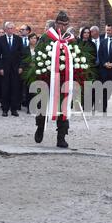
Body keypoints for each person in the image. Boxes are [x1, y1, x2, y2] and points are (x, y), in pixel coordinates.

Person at [34, 11, 73, 148]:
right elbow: (38, 55)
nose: (63, 27)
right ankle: (40, 127)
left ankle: (61, 137)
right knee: (42, 106)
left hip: (65, 79)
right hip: (47, 79)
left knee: (64, 107)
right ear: (56, 23)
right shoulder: (46, 37)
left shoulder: (70, 38)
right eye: (61, 24)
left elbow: (75, 55)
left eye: (65, 25)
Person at [0, 21, 24, 117]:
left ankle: (14, 109)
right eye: (8, 28)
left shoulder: (18, 39)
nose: (10, 30)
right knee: (5, 89)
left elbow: (21, 55)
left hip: (15, 69)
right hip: (4, 68)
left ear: (14, 29)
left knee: (15, 89)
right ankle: (5, 109)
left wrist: (20, 67)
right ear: (5, 29)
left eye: (12, 28)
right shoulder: (0, 40)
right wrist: (0, 68)